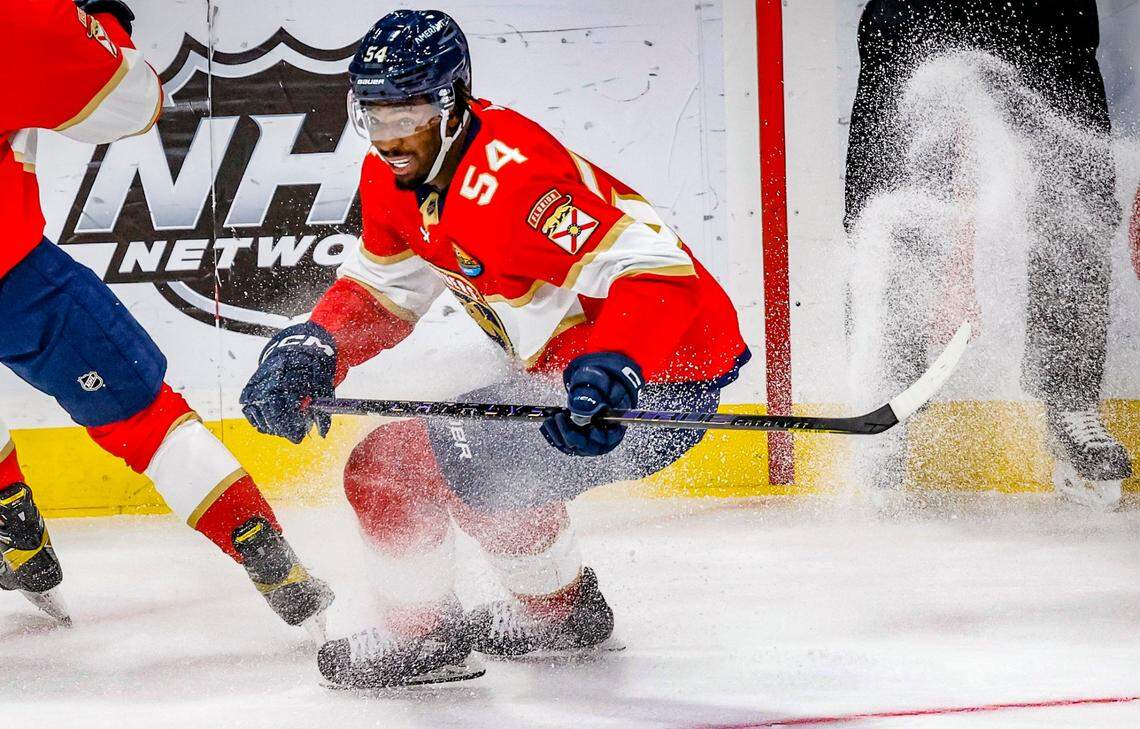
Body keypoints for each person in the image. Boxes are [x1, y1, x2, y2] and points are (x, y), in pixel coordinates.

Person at [240, 9, 750, 688]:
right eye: (376, 117)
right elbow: (386, 290)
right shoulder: (393, 178)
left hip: (646, 388)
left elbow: (657, 269)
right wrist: (319, 344)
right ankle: (560, 614)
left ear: (453, 102)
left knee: (387, 469)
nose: (390, 140)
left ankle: (422, 638)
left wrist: (618, 364)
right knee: (485, 471)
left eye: (408, 116)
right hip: (581, 381)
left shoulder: (513, 179)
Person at [0, 0, 332, 632]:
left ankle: (11, 521)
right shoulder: (17, 20)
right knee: (146, 418)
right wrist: (103, 25)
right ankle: (261, 546)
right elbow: (132, 103)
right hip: (13, 282)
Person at [844, 0, 1132, 508]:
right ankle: (887, 402)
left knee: (1077, 204)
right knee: (893, 211)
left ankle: (1071, 401)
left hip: (1044, 15)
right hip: (915, 11)